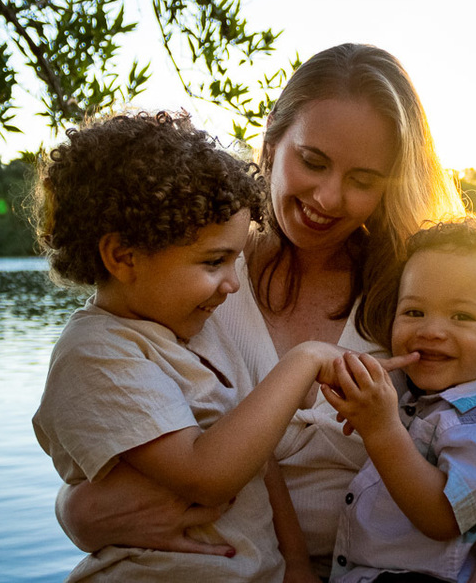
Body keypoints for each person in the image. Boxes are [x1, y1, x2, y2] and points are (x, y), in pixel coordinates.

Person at [57, 44, 476, 581]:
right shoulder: (191, 278)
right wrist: (77, 510)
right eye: (313, 161)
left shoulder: (419, 297)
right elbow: (118, 426)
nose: (329, 198)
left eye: (363, 180)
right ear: (272, 139)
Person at [30, 110, 416, 581]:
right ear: (123, 257)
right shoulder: (97, 352)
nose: (233, 284)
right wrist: (306, 359)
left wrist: (294, 565)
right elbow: (206, 476)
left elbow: (260, 457)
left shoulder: (192, 333)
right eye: (214, 262)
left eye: (236, 259)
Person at [322, 216, 476, 583]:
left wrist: (381, 428)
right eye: (414, 312)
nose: (432, 331)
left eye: (462, 316)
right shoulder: (430, 393)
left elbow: (444, 516)